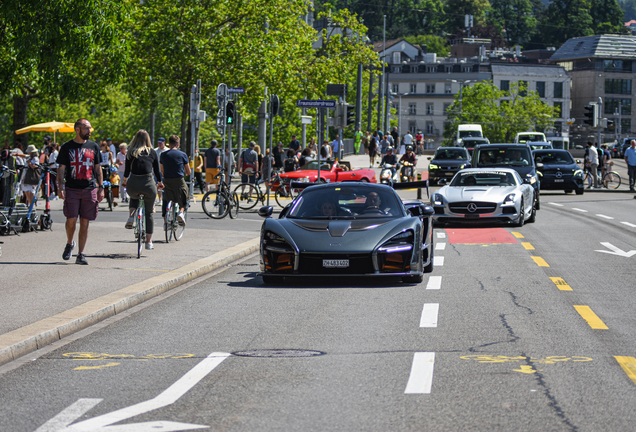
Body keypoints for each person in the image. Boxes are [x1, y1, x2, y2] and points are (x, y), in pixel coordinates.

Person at [57, 118, 103, 265]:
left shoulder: (93, 146)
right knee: (71, 220)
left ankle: (81, 254)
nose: (89, 131)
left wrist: (101, 187)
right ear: (77, 129)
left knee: (85, 221)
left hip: (90, 189)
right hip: (72, 188)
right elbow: (61, 168)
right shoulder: (66, 147)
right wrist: (60, 187)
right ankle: (70, 243)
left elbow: (97, 168)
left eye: (90, 128)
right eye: (86, 128)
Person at [122, 129, 163, 250]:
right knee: (149, 212)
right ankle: (149, 242)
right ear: (147, 139)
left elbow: (126, 171)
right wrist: (160, 183)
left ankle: (131, 216)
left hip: (133, 184)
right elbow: (157, 171)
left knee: (134, 197)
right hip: (148, 185)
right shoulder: (152, 152)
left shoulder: (130, 152)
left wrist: (124, 181)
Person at [160, 135, 190, 226]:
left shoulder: (163, 155)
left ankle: (165, 219)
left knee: (166, 197)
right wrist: (185, 174)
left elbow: (162, 170)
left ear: (169, 144)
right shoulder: (183, 154)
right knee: (185, 196)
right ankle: (181, 212)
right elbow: (188, 171)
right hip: (179, 180)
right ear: (178, 144)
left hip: (167, 180)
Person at [154, 137, 167, 201]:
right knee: (158, 185)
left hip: (165, 172)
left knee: (165, 186)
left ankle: (165, 198)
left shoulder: (167, 150)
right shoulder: (155, 151)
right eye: (158, 143)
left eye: (161, 143)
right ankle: (160, 199)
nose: (159, 144)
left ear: (164, 142)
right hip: (157, 171)